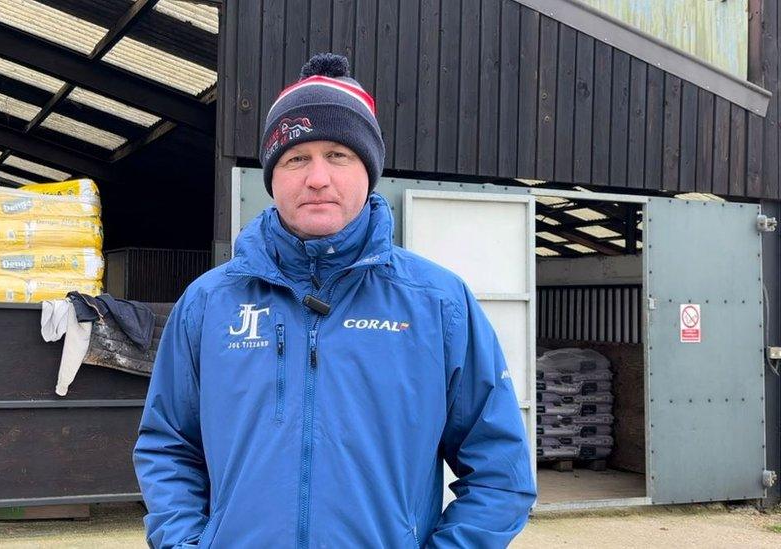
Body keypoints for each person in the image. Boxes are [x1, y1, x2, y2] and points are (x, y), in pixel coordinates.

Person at [134, 52, 536, 549]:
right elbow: (168, 445)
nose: (317, 177)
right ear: (272, 176)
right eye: (296, 158)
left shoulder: (438, 304)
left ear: (368, 171)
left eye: (338, 156)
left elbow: (500, 470)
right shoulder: (209, 303)